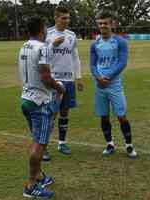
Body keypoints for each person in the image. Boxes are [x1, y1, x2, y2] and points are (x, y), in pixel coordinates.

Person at [18, 16, 65, 198]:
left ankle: (39, 176)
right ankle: (30, 185)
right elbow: (46, 77)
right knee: (40, 144)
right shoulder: (43, 47)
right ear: (41, 30)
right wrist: (59, 87)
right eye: (45, 28)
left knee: (37, 139)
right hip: (39, 102)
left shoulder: (24, 46)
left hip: (26, 100)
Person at [89, 12, 137, 159]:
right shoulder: (95, 44)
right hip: (100, 85)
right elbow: (92, 64)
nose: (103, 26)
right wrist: (98, 78)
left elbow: (122, 63)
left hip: (114, 85)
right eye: (100, 23)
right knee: (104, 116)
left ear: (112, 24)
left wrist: (107, 77)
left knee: (121, 116)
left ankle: (129, 146)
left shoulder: (120, 42)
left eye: (106, 23)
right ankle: (109, 144)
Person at [43, 6, 83, 159]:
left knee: (65, 112)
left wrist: (78, 77)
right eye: (63, 18)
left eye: (68, 18)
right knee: (51, 113)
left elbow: (75, 57)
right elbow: (42, 55)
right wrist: (53, 45)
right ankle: (44, 146)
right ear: (56, 18)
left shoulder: (71, 35)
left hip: (68, 80)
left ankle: (62, 142)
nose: (67, 21)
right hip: (53, 80)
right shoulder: (48, 34)